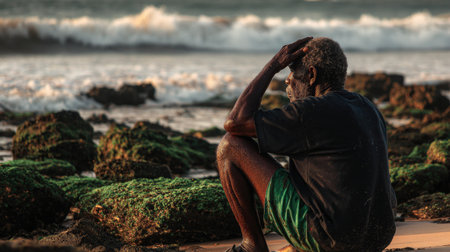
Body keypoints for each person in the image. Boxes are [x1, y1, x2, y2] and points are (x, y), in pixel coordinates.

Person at [216, 37, 397, 252]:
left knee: (230, 146)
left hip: (333, 240)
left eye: (292, 71)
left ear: (311, 75)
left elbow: (235, 123)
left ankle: (252, 245)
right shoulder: (368, 107)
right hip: (378, 237)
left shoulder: (312, 111)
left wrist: (272, 66)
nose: (287, 80)